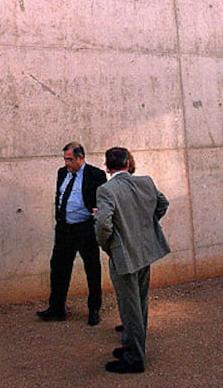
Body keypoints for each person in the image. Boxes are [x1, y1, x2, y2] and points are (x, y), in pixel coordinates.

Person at [94, 147, 170, 374]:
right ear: (128, 162)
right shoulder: (145, 182)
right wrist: (143, 227)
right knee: (140, 303)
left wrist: (109, 247)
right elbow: (162, 204)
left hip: (124, 255)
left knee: (130, 308)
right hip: (144, 250)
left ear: (107, 167)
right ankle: (134, 346)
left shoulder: (106, 190)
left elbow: (102, 225)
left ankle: (135, 357)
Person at [37, 142, 107, 325]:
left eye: (70, 159)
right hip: (64, 229)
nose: (67, 163)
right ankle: (56, 308)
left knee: (92, 269)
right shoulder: (62, 173)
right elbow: (59, 197)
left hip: (85, 229)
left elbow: (101, 202)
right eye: (65, 159)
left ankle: (93, 309)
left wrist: (95, 220)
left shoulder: (96, 175)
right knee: (59, 268)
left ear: (80, 158)